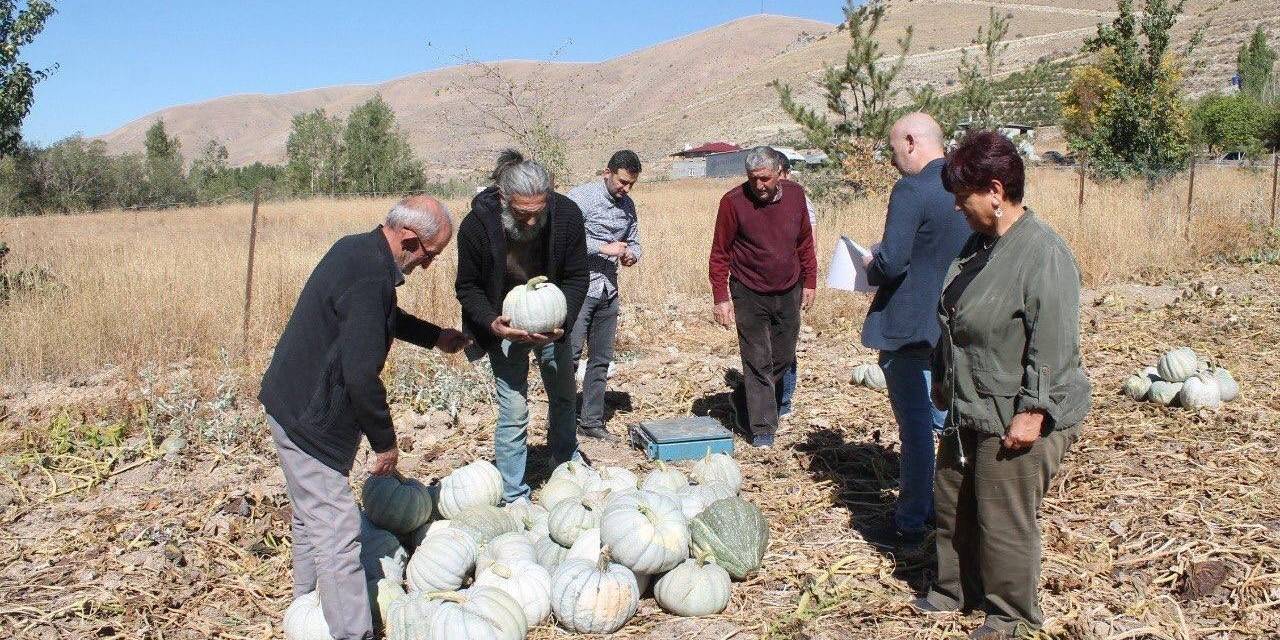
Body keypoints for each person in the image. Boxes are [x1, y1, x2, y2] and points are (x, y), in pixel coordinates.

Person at [259, 196, 469, 640]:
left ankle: (308, 604)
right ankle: (352, 634)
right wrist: (385, 443)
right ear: (409, 240)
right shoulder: (373, 277)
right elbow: (360, 374)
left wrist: (435, 337)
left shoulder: (357, 249)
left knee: (311, 515)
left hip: (291, 400)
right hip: (309, 419)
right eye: (430, 255)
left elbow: (380, 318)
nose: (429, 266)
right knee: (337, 532)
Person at [919, 130, 1091, 640]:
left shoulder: (1043, 254)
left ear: (996, 190)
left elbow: (1054, 343)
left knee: (1004, 517)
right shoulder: (981, 245)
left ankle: (1011, 614)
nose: (956, 208)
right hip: (971, 404)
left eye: (961, 197)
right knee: (952, 502)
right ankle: (956, 591)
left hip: (1019, 410)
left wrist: (1033, 411)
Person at [860, 113, 973, 549]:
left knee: (915, 426)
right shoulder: (966, 187)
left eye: (893, 150)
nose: (894, 161)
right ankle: (952, 510)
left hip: (908, 326)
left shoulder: (911, 189)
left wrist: (873, 261)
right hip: (953, 323)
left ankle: (911, 522)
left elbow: (893, 262)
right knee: (947, 421)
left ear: (910, 142)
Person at [455, 151, 589, 504]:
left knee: (562, 395)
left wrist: (565, 320)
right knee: (514, 409)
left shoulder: (568, 217)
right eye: (521, 214)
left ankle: (565, 465)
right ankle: (513, 491)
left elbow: (577, 277)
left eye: (538, 213)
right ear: (503, 198)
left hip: (553, 322)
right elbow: (467, 286)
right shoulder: (475, 227)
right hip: (505, 325)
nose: (531, 223)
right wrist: (491, 323)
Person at [708, 146, 817, 448]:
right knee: (756, 359)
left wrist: (810, 281)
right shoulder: (732, 202)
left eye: (765, 179)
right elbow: (719, 254)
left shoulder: (796, 196)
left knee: (781, 357)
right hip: (748, 291)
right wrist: (721, 297)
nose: (759, 185)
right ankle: (762, 430)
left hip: (789, 289)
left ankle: (743, 397)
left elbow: (805, 241)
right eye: (753, 179)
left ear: (779, 174)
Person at [566, 150, 643, 442]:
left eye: (631, 185)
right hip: (580, 288)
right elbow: (564, 241)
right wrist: (602, 247)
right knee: (569, 355)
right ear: (606, 173)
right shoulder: (580, 198)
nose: (625, 189)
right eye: (622, 182)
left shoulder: (628, 206)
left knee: (601, 358)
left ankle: (591, 421)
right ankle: (560, 419)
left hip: (608, 289)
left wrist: (631, 255)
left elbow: (634, 241)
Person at [773, 149, 816, 419]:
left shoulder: (800, 201)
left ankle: (784, 400)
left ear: (786, 173)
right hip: (766, 286)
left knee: (785, 343)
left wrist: (807, 281)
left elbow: (809, 246)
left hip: (792, 283)